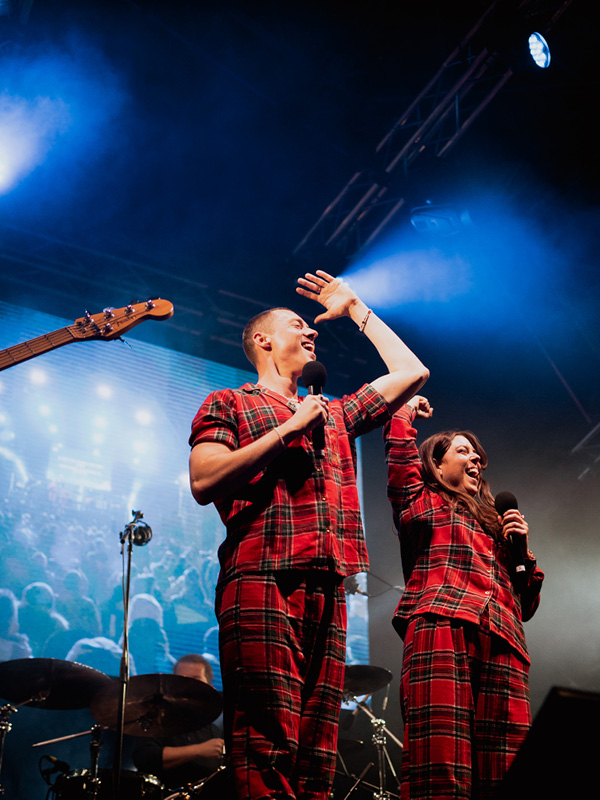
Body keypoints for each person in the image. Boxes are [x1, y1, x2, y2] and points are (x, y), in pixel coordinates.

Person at [188, 270, 429, 800]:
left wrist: (357, 308)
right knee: (265, 742)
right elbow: (204, 479)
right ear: (262, 340)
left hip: (328, 586)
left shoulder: (336, 415)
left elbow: (412, 371)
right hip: (262, 579)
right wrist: (287, 429)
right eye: (298, 324)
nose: (312, 331)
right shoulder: (230, 401)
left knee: (317, 753)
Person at [384, 395, 545, 800]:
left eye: (477, 455)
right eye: (462, 451)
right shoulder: (422, 501)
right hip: (443, 625)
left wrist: (521, 551)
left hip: (504, 640)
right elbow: (401, 456)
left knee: (508, 764)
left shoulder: (498, 527)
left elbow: (526, 606)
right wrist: (403, 413)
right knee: (441, 760)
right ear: (436, 465)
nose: (475, 459)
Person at [132, 654, 224, 791]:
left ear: (210, 687)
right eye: (181, 680)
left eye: (196, 680)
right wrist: (199, 750)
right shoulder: (157, 720)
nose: (188, 685)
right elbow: (145, 758)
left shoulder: (214, 731)